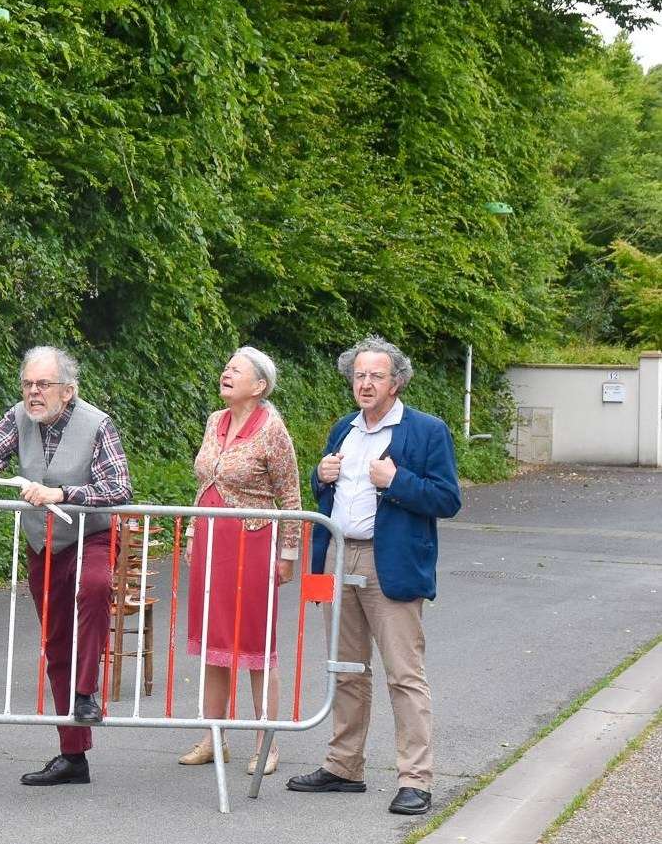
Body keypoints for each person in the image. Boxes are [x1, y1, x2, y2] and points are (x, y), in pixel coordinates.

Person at [287, 336, 462, 816]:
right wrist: (319, 476)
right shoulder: (344, 428)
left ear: (397, 382)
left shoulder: (426, 431)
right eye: (358, 375)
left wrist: (397, 482)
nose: (364, 383)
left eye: (375, 376)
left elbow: (447, 499)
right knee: (346, 670)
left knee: (404, 674)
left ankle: (416, 779)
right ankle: (344, 767)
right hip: (339, 558)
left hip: (392, 564)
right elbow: (328, 494)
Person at [0, 346, 133, 786]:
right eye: (28, 383)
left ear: (68, 391)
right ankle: (73, 756)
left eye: (42, 384)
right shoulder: (18, 417)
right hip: (43, 543)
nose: (33, 392)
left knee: (95, 586)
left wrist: (63, 494)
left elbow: (119, 486)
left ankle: (86, 693)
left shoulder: (97, 423)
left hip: (91, 534)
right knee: (55, 642)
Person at [179, 346, 303, 775]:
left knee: (254, 644)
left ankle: (265, 744)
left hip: (252, 544)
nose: (226, 372)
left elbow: (290, 495)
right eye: (226, 366)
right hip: (212, 542)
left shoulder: (273, 429)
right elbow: (204, 482)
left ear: (260, 385)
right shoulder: (215, 420)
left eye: (236, 369)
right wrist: (194, 530)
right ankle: (214, 738)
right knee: (215, 644)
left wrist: (288, 554)